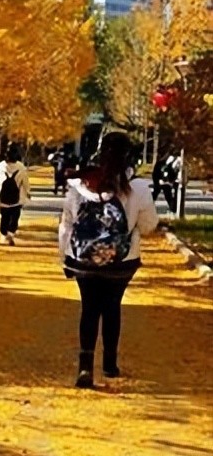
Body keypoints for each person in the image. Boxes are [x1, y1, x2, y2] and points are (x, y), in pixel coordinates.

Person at [59, 131, 160, 388]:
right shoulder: (137, 188)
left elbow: (66, 225)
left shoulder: (81, 185)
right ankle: (110, 364)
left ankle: (85, 366)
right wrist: (131, 228)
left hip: (83, 260)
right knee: (112, 306)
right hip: (122, 261)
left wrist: (66, 257)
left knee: (89, 308)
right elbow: (149, 226)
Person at [0, 145, 30, 245]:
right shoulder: (21, 167)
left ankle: (4, 233)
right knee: (14, 217)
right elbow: (25, 182)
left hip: (2, 198)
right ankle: (10, 233)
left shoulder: (1, 166)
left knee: (4, 217)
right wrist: (28, 192)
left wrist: (0, 186)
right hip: (17, 199)